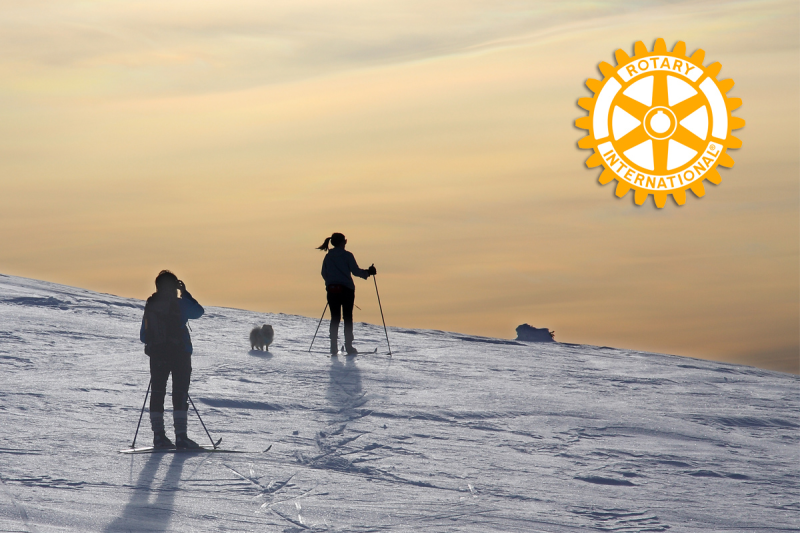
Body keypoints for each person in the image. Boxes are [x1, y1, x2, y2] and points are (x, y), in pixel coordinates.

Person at [140, 270, 204, 448]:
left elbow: (144, 335)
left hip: (158, 355)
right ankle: (181, 437)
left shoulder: (151, 305)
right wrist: (185, 293)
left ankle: (159, 437)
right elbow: (199, 311)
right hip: (180, 354)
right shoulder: (180, 304)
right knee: (179, 393)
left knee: (158, 393)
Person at [318, 233, 377, 355]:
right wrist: (368, 272)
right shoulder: (347, 255)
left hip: (332, 290)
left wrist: (330, 283)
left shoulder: (328, 257)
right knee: (348, 318)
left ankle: (333, 347)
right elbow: (355, 272)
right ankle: (349, 347)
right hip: (346, 291)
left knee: (335, 318)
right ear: (342, 242)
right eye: (345, 241)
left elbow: (323, 273)